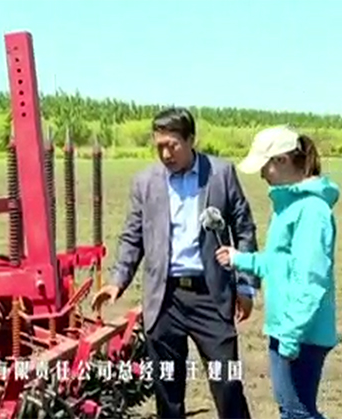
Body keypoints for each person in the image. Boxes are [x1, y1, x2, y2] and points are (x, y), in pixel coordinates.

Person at [92, 107, 258, 419]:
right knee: (167, 390)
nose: (166, 154)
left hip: (211, 296)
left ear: (191, 140)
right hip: (164, 299)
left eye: (173, 145)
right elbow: (132, 236)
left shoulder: (220, 174)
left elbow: (244, 229)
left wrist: (246, 287)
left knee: (228, 384)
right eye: (160, 146)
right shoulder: (145, 182)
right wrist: (117, 281)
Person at [215, 126, 339, 419]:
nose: (262, 174)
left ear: (282, 160)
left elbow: (311, 280)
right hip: (286, 327)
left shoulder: (311, 211)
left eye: (265, 165)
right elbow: (278, 263)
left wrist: (292, 335)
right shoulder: (289, 207)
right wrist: (240, 259)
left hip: (301, 332)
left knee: (297, 413)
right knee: (294, 410)